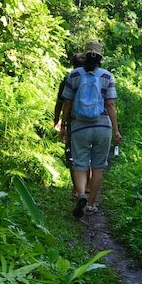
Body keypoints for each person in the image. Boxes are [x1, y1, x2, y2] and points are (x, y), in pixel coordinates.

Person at [58, 41, 123, 219]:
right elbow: (110, 104)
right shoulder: (107, 77)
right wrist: (116, 130)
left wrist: (63, 126)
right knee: (98, 167)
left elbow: (68, 103)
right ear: (101, 58)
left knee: (80, 165)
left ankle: (81, 196)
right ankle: (92, 204)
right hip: (103, 127)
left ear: (84, 56)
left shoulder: (74, 75)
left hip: (80, 128)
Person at [54, 52, 85, 169]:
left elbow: (61, 102)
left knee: (72, 153)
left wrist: (58, 121)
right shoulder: (95, 77)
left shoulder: (68, 79)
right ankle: (88, 184)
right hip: (94, 121)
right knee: (89, 154)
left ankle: (77, 185)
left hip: (73, 121)